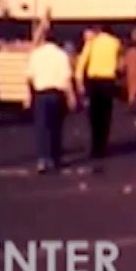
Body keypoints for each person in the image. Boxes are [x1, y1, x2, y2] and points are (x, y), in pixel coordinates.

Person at [27, 34, 76, 174]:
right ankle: (55, 158)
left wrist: (28, 96)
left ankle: (42, 159)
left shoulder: (35, 55)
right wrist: (71, 96)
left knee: (41, 128)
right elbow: (66, 77)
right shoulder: (61, 55)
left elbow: (29, 77)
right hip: (57, 94)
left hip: (40, 94)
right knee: (56, 127)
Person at [76, 25, 122, 165]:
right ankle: (103, 145)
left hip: (94, 81)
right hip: (108, 80)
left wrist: (79, 83)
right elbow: (119, 63)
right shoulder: (115, 42)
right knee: (106, 114)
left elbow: (82, 63)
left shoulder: (92, 42)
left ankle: (95, 146)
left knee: (94, 115)